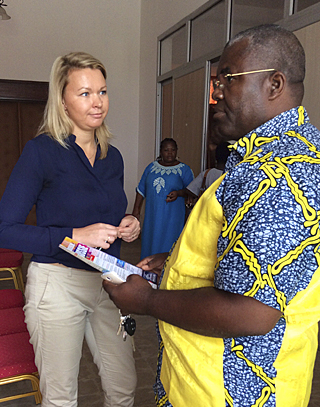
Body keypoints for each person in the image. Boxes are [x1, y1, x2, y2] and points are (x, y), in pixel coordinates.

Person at [103, 24, 320, 407]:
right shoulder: (261, 161)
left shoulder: (279, 174)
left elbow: (253, 313)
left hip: (234, 393)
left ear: (274, 84)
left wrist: (147, 301)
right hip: (201, 381)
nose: (215, 94)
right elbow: (249, 262)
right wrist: (174, 266)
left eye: (227, 80)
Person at [0, 52, 140, 407]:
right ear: (62, 101)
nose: (97, 102)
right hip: (57, 284)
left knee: (123, 387)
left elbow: (105, 217)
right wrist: (73, 235)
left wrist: (127, 225)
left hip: (107, 284)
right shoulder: (41, 152)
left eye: (102, 92)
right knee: (61, 398)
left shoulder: (114, 156)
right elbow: (5, 229)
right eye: (84, 93)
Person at [132, 138, 193, 259]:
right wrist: (136, 210)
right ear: (160, 151)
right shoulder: (151, 168)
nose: (170, 153)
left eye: (173, 150)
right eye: (166, 150)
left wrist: (179, 193)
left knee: (169, 243)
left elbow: (192, 191)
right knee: (151, 241)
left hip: (173, 218)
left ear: (177, 151)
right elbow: (141, 190)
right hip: (152, 217)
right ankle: (148, 272)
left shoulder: (184, 170)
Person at [185, 141, 230, 208]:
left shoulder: (208, 173)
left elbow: (190, 190)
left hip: (207, 211)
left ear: (216, 156)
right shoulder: (232, 176)